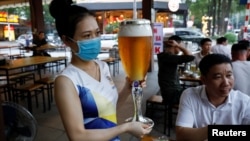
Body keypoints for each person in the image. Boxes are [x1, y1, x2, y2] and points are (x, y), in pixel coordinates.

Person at [49, 0, 151, 141]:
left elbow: (108, 110)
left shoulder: (102, 67)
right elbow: (77, 136)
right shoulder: (66, 81)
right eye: (87, 35)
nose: (95, 39)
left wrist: (127, 89)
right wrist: (126, 127)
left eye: (97, 33)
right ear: (66, 40)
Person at [175, 54, 250, 141]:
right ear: (204, 80)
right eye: (218, 77)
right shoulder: (190, 95)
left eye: (229, 75)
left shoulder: (245, 102)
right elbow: (181, 135)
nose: (226, 83)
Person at [157, 35, 195, 106]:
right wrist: (179, 45)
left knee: (196, 92)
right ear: (175, 46)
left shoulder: (164, 55)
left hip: (171, 93)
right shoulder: (168, 57)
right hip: (172, 95)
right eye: (180, 48)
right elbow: (191, 57)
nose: (180, 50)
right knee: (197, 95)